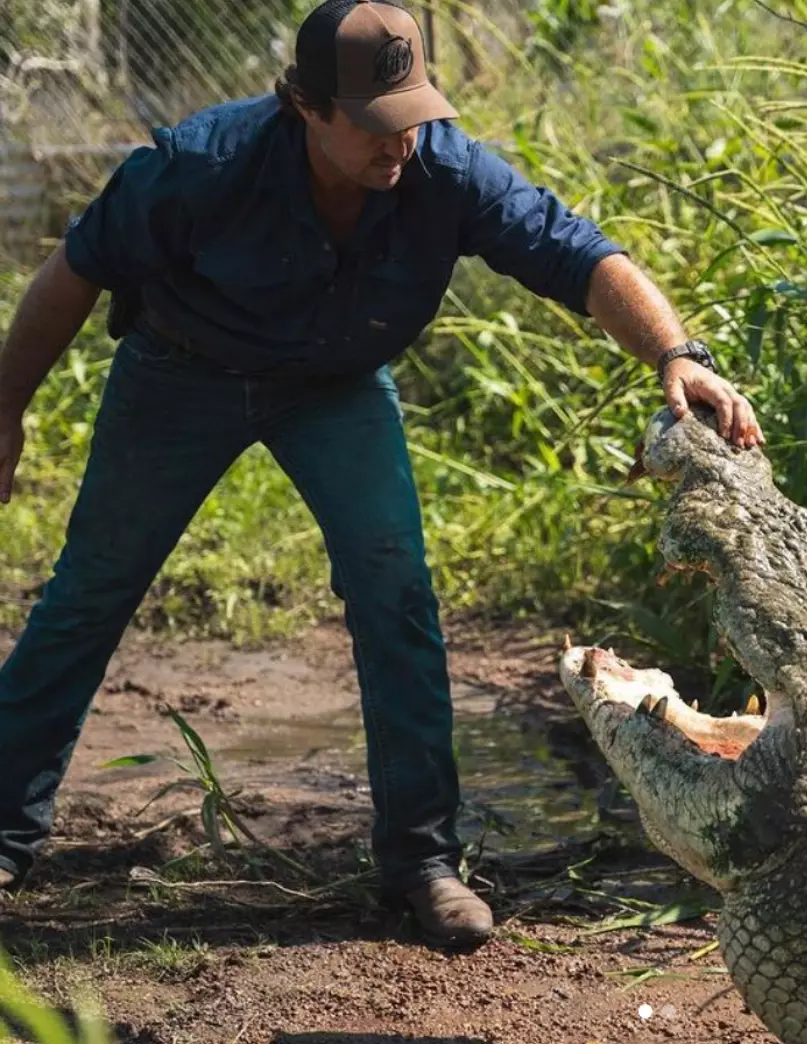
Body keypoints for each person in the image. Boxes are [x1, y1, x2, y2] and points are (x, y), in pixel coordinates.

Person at [0, 0, 764, 948]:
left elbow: (581, 253)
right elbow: (72, 271)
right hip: (181, 373)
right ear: (304, 106)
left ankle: (421, 861)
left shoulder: (444, 165)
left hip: (336, 386)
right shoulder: (199, 166)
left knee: (396, 597)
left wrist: (674, 353)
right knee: (89, 594)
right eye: (372, 120)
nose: (398, 139)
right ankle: (4, 830)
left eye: (411, 110)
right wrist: (7, 405)